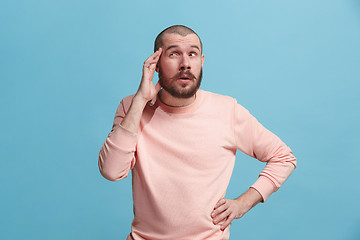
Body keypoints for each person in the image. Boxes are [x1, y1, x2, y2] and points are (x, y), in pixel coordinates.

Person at [98, 25, 297, 240]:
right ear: (155, 64)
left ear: (201, 61)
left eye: (192, 54)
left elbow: (283, 157)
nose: (185, 64)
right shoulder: (131, 108)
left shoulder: (227, 110)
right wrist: (140, 101)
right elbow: (111, 171)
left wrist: (243, 203)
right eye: (174, 54)